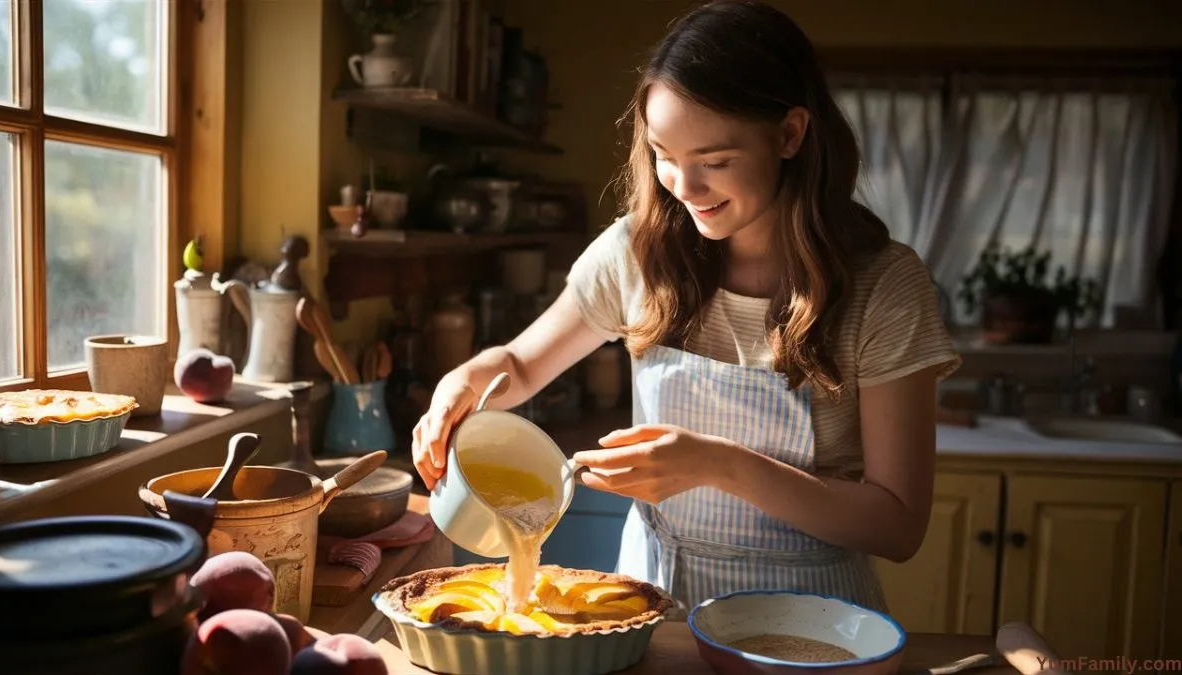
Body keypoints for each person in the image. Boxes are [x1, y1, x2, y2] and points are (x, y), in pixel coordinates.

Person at [411, 0, 960, 613]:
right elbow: (521, 362)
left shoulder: (883, 286)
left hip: (816, 624)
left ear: (790, 134)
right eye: (664, 156)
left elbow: (898, 526)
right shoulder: (637, 251)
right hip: (655, 611)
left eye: (715, 162)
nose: (685, 188)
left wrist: (717, 464)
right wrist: (461, 383)